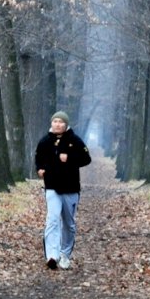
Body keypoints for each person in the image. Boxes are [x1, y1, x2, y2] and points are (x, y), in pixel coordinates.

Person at [35, 111, 92, 270]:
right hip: (52, 186)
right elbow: (38, 159)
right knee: (52, 220)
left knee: (69, 224)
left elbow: (87, 159)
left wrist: (70, 158)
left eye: (61, 122)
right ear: (51, 123)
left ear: (66, 124)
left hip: (71, 188)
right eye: (55, 121)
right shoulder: (45, 141)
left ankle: (65, 254)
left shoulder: (75, 140)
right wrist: (39, 170)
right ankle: (52, 255)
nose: (58, 124)